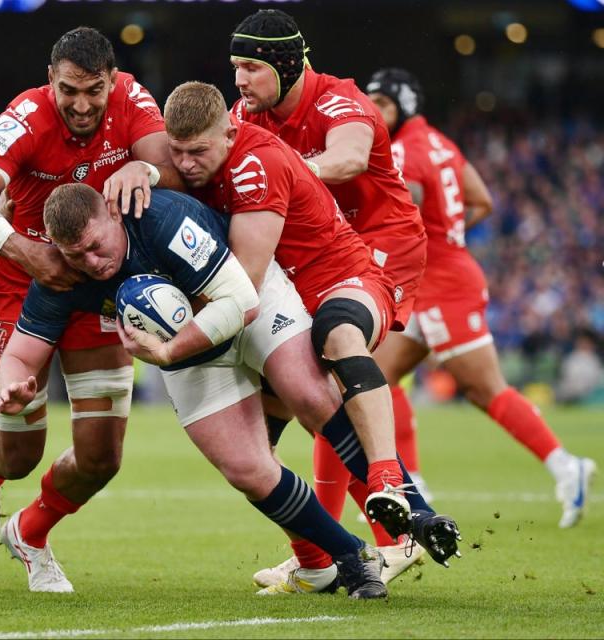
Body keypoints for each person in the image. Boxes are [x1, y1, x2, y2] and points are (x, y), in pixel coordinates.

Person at [0, 183, 388, 599]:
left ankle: (412, 513)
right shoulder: (61, 274)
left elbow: (240, 298)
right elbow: (19, 356)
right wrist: (10, 388)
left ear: (113, 213)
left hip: (247, 296)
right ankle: (352, 557)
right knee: (248, 470)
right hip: (186, 352)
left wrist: (167, 349)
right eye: (76, 255)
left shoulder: (159, 218)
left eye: (95, 246)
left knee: (313, 397)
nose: (92, 263)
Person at [161, 81, 459, 592]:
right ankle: (324, 556)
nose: (186, 164)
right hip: (292, 294)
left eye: (198, 151)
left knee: (333, 353)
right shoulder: (214, 151)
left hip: (338, 278)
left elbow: (245, 285)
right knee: (257, 451)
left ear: (229, 134)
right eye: (177, 152)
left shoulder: (258, 159)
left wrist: (172, 344)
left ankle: (392, 491)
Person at [0, 27, 180, 593]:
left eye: (93, 90)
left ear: (112, 81)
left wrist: (141, 170)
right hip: (21, 283)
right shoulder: (25, 116)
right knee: (21, 454)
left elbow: (178, 169)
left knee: (101, 458)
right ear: (51, 82)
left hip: (99, 285)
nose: (81, 104)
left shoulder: (133, 101)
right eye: (69, 90)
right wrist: (29, 252)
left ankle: (31, 533)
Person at [227, 10, 432, 585]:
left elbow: (346, 159)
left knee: (334, 355)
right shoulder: (247, 114)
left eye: (250, 67)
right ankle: (327, 551)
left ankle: (392, 525)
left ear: (286, 65)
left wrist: (277, 176)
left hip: (380, 244)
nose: (239, 80)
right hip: (316, 255)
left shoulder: (338, 100)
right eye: (235, 67)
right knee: (296, 391)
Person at [364, 67, 597, 529]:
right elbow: (482, 200)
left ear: (404, 106)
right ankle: (414, 484)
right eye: (372, 103)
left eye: (384, 104)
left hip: (444, 285)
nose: (376, 112)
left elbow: (400, 210)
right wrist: (447, 234)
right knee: (374, 377)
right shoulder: (439, 142)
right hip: (433, 277)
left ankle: (567, 466)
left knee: (484, 390)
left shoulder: (402, 150)